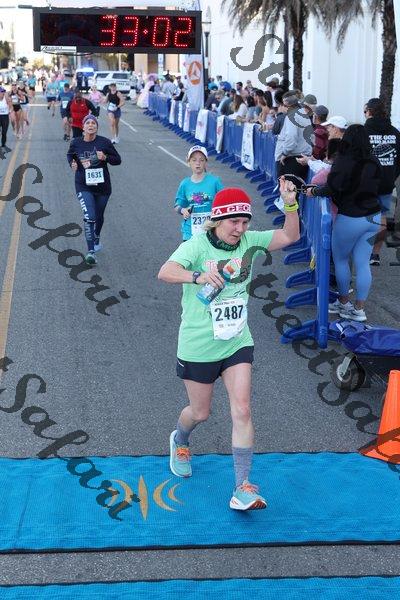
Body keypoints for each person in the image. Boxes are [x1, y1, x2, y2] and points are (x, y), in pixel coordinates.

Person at [158, 179, 300, 511]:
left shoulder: (250, 241)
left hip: (236, 341)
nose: (240, 229)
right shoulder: (197, 245)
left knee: (242, 409)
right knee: (200, 412)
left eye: (245, 222)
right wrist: (196, 276)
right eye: (234, 222)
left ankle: (242, 487)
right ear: (218, 220)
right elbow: (165, 271)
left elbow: (290, 236)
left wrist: (290, 205)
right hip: (199, 344)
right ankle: (180, 440)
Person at [307, 124, 382, 322]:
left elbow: (331, 188)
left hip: (350, 217)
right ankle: (359, 309)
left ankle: (343, 302)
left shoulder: (343, 160)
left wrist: (314, 191)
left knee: (341, 260)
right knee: (363, 263)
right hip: (374, 216)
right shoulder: (374, 160)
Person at [67, 114, 121, 265]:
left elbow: (117, 160)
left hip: (103, 187)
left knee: (98, 216)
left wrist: (105, 158)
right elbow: (70, 155)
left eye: (93, 123)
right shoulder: (76, 143)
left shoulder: (105, 142)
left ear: (97, 127)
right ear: (83, 127)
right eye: (88, 123)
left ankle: (96, 236)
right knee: (90, 216)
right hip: (83, 185)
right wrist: (72, 163)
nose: (91, 125)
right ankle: (90, 252)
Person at [363, 97, 400, 266]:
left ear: (370, 112)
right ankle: (375, 254)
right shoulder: (395, 132)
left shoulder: (363, 132)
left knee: (364, 217)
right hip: (386, 182)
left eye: (365, 111)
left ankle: (363, 251)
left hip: (366, 182)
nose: (364, 114)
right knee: (382, 217)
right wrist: (391, 175)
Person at [175, 146, 224, 241]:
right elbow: (177, 206)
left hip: (211, 231)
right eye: (194, 160)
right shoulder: (185, 184)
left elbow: (225, 201)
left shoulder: (215, 181)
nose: (198, 163)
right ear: (188, 162)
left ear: (206, 162)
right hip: (190, 232)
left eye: (201, 160)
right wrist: (183, 210)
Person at [274, 91, 313, 180]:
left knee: (287, 187)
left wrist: (284, 153)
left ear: (286, 104)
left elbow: (291, 136)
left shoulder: (292, 115)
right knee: (296, 187)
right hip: (301, 156)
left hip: (291, 158)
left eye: (282, 104)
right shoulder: (302, 114)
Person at [0, 87, 12, 159]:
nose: (3, 93)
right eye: (1, 92)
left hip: (5, 116)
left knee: (4, 132)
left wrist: (10, 111)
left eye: (3, 92)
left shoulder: (6, 99)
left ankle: (3, 145)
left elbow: (11, 106)